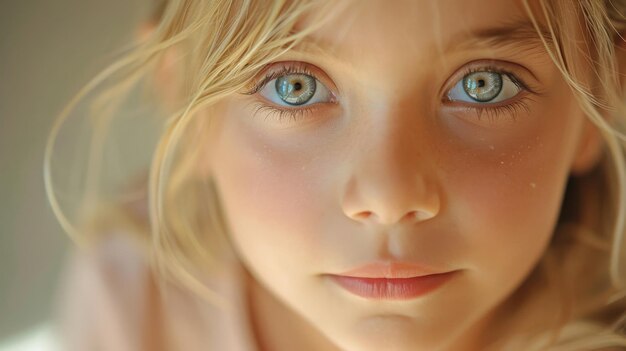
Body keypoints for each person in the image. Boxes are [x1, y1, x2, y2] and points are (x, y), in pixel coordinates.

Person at [44, 0, 626, 350]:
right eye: (293, 86)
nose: (390, 196)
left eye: (485, 84)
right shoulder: (136, 304)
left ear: (598, 103)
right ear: (186, 108)